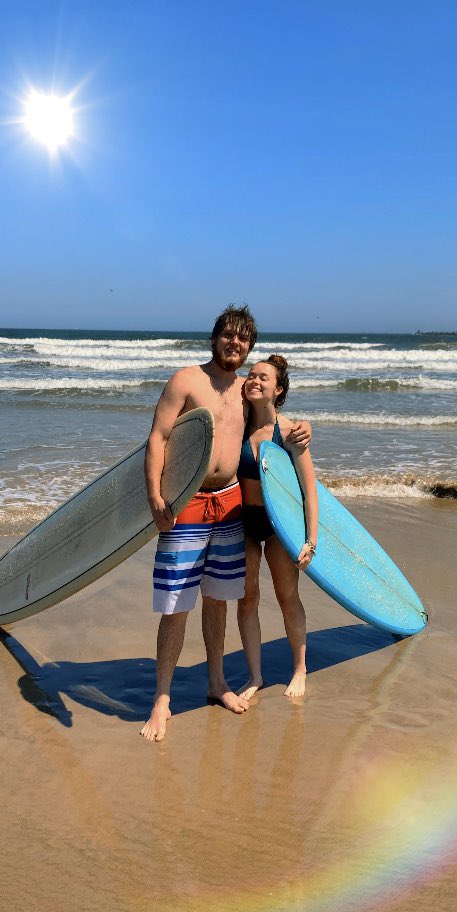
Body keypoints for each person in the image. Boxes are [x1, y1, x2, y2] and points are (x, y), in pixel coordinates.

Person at [141, 305, 310, 741]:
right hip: (188, 502)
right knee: (176, 604)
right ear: (214, 337)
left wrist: (303, 428)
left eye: (243, 338)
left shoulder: (245, 390)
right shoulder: (186, 381)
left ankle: (216, 682)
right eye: (228, 335)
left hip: (231, 505)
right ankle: (162, 699)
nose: (234, 343)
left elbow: (275, 427)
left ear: (249, 345)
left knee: (218, 599)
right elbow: (158, 437)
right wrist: (157, 497)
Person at [236, 355, 318, 702]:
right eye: (251, 375)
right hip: (243, 523)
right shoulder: (235, 427)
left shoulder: (289, 431)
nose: (254, 380)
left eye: (263, 378)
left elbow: (309, 488)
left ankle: (300, 669)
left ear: (278, 389)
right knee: (247, 599)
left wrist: (311, 540)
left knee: (287, 597)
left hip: (280, 525)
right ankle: (256, 676)